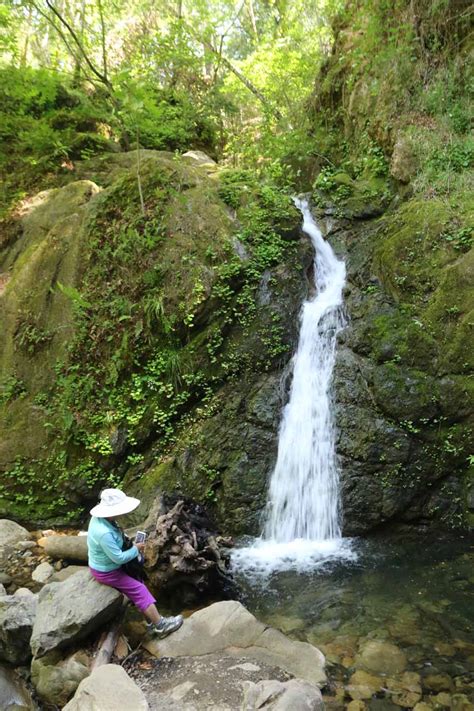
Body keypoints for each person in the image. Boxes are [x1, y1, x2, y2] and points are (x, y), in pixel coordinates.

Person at [87, 488, 183, 638]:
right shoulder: (103, 532)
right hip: (107, 571)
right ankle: (161, 626)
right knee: (139, 589)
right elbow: (118, 558)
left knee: (138, 580)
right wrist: (136, 549)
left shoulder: (102, 520)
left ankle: (150, 623)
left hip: (108, 565)